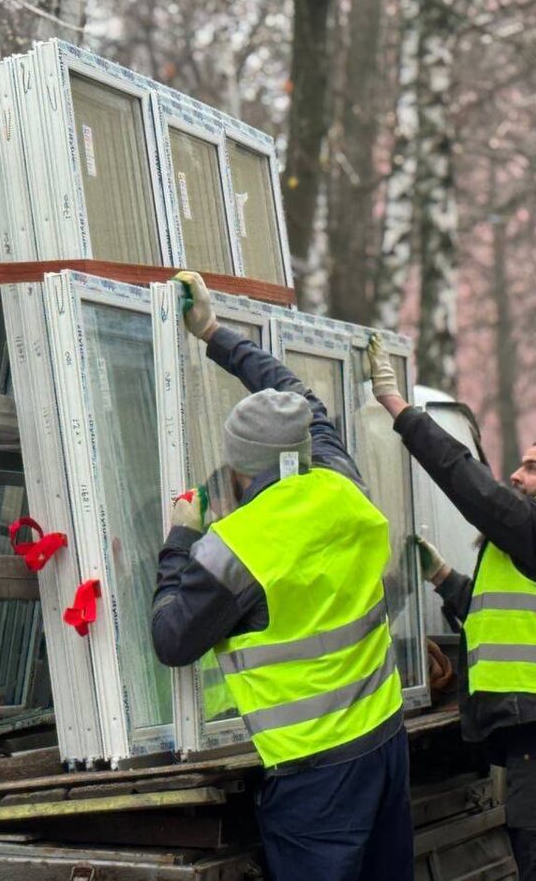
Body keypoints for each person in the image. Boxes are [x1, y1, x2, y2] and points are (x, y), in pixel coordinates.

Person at [151, 272, 413, 881]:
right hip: (384, 740)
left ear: (237, 468)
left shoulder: (236, 547)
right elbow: (297, 395)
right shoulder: (339, 482)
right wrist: (214, 333)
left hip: (316, 773)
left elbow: (172, 641)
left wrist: (180, 537)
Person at [364, 336, 536, 880]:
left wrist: (400, 408)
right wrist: (443, 578)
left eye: (533, 468)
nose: (515, 474)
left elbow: (472, 486)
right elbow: (515, 620)